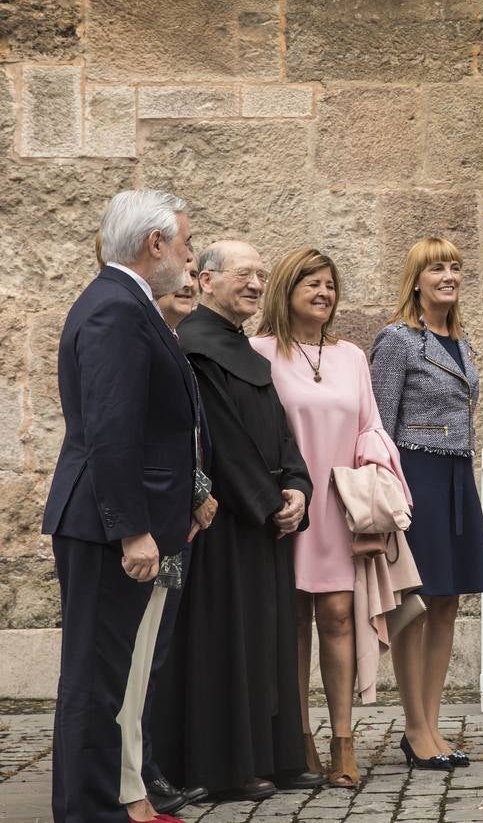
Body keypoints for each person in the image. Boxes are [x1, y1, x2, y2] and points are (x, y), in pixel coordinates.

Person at [46, 190, 197, 823]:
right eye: (186, 242)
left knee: (111, 676)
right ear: (155, 243)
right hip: (107, 526)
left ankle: (106, 803)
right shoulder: (115, 309)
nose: (190, 256)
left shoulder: (123, 302)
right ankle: (88, 812)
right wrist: (132, 530)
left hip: (117, 520)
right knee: (96, 679)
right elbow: (110, 430)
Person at [156, 241, 321, 800]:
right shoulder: (195, 348)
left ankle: (277, 756)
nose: (256, 283)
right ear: (204, 281)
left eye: (261, 275)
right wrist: (270, 502)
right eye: (244, 274)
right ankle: (230, 763)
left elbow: (280, 433)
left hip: (265, 519)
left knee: (269, 642)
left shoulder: (244, 350)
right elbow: (220, 443)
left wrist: (298, 486)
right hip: (225, 525)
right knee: (230, 643)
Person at [254, 248, 422, 789]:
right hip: (286, 507)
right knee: (289, 624)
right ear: (287, 288)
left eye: (330, 285)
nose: (324, 293)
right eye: (312, 284)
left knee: (338, 617)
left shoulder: (351, 355)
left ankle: (343, 740)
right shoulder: (258, 352)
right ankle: (297, 740)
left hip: (338, 505)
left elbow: (370, 425)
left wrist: (375, 480)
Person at [370, 237, 483, 771]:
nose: (448, 275)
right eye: (436, 268)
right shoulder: (397, 340)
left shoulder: (461, 340)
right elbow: (378, 423)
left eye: (455, 267)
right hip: (415, 475)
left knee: (447, 602)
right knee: (414, 606)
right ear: (416, 279)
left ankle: (435, 723)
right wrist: (391, 494)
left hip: (456, 477)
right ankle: (414, 727)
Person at [141, 256, 213, 819]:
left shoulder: (176, 347)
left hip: (178, 525)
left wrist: (200, 488)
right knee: (143, 658)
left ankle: (149, 767)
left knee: (159, 651)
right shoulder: (154, 345)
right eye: (182, 278)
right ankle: (141, 774)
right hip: (151, 525)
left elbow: (189, 436)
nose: (189, 283)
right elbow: (147, 437)